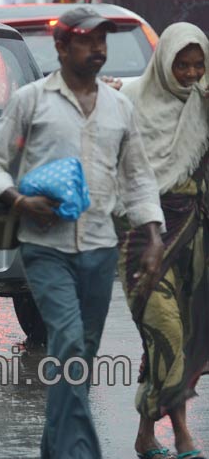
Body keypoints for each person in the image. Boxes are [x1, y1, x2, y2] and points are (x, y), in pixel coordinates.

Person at [0, 6, 165, 459]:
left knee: (79, 360)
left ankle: (53, 451)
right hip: (46, 249)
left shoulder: (120, 105)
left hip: (101, 249)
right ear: (61, 47)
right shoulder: (32, 100)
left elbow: (137, 176)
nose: (98, 49)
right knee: (69, 345)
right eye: (87, 40)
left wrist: (154, 234)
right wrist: (19, 201)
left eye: (103, 40)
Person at [116, 23, 209, 459]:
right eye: (182, 64)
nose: (190, 73)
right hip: (140, 236)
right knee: (166, 330)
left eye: (198, 65)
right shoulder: (130, 98)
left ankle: (145, 436)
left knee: (175, 338)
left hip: (193, 234)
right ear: (165, 63)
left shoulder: (205, 103)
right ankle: (183, 435)